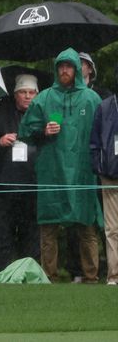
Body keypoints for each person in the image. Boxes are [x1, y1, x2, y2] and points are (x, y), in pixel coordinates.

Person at [18, 48, 102, 283]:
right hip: (52, 170)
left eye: (69, 66)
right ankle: (49, 277)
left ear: (77, 69)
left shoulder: (91, 99)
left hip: (82, 171)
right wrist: (43, 131)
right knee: (48, 226)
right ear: (56, 70)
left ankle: (91, 277)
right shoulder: (44, 98)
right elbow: (25, 131)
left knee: (86, 225)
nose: (64, 70)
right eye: (61, 66)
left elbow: (102, 134)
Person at [0, 73, 39, 278]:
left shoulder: (43, 115)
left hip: (33, 187)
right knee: (1, 235)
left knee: (31, 236)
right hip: (3, 187)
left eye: (32, 92)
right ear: (15, 94)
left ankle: (29, 275)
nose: (27, 96)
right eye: (23, 92)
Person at [89, 66, 118, 285]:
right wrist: (99, 168)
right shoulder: (105, 106)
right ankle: (113, 276)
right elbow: (94, 143)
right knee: (112, 229)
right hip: (109, 176)